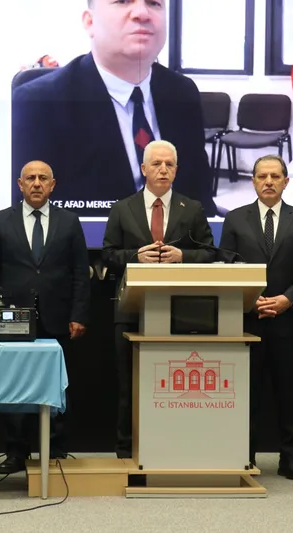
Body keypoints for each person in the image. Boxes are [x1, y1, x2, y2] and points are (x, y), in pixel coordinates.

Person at [11, 0, 215, 218]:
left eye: (154, 3)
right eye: (123, 1)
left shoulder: (183, 92)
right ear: (90, 22)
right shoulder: (39, 103)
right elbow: (29, 217)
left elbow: (199, 199)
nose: (142, 13)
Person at [102, 140, 215, 458]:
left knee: (174, 385)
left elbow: (210, 252)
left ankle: (172, 447)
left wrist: (184, 256)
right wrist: (135, 256)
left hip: (179, 310)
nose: (163, 169)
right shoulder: (122, 208)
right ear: (143, 169)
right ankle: (126, 450)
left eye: (169, 164)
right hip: (131, 310)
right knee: (129, 384)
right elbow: (108, 255)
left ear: (176, 170)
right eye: (156, 164)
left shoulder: (192, 208)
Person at [0, 160, 91, 474]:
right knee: (15, 387)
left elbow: (80, 273)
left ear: (53, 185)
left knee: (57, 387)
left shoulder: (69, 221)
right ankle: (16, 452)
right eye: (30, 178)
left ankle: (55, 450)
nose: (37, 183)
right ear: (20, 184)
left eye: (43, 178)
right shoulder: (1, 220)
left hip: (59, 317)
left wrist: (79, 314)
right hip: (12, 320)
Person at [218, 155, 293, 480]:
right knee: (247, 393)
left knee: (290, 393)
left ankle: (290, 458)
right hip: (248, 320)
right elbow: (225, 266)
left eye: (275, 176)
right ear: (253, 181)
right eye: (262, 176)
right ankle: (244, 456)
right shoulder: (234, 218)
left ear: (286, 181)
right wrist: (250, 299)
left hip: (289, 320)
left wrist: (287, 299)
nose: (268, 181)